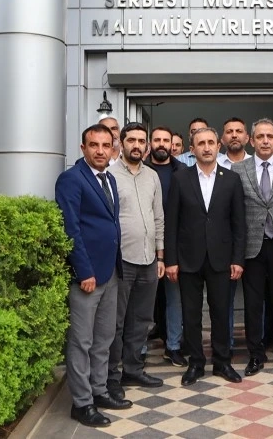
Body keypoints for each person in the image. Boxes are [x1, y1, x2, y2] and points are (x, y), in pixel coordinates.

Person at [55, 124, 132, 428]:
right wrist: (83, 270)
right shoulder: (71, 179)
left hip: (110, 271)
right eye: (94, 145)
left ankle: (99, 391)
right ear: (83, 148)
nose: (100, 151)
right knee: (81, 341)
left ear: (113, 149)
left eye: (105, 145)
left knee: (104, 338)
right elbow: (70, 228)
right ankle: (82, 403)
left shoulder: (109, 179)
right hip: (87, 276)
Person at [164, 127, 247, 386]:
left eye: (211, 142)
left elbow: (239, 224)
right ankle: (196, 363)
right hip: (188, 258)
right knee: (191, 314)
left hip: (221, 258)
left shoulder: (231, 179)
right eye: (201, 143)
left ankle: (222, 362)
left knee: (221, 312)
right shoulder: (180, 179)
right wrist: (171, 261)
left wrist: (238, 259)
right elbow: (171, 223)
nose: (207, 147)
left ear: (219, 146)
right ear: (192, 149)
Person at [232, 118, 273, 377]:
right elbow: (236, 212)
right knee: (253, 304)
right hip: (252, 247)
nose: (265, 141)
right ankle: (255, 355)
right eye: (260, 136)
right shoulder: (239, 169)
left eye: (269, 136)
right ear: (252, 140)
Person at [106, 123, 166, 400]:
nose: (137, 145)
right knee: (116, 323)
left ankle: (133, 369)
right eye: (132, 140)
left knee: (141, 320)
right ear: (121, 143)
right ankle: (111, 376)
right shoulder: (109, 175)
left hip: (149, 259)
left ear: (147, 146)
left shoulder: (152, 176)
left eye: (142, 141)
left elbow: (158, 217)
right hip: (121, 260)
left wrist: (160, 255)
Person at [144, 126, 188, 367]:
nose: (161, 144)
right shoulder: (140, 170)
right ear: (150, 143)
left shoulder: (182, 172)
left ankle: (173, 346)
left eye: (166, 140)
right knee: (143, 301)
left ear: (173, 144)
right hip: (144, 243)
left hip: (175, 244)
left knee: (175, 299)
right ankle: (138, 350)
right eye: (157, 139)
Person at [215, 117, 252, 353]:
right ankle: (225, 344)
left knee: (256, 297)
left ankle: (258, 343)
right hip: (224, 243)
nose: (234, 135)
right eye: (229, 131)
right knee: (223, 298)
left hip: (257, 240)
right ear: (222, 139)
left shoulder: (256, 163)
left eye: (239, 131)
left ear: (247, 137)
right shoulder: (215, 164)